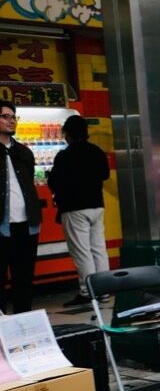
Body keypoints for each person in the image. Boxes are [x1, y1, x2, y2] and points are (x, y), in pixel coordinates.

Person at [47, 115, 110, 307]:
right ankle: (105, 290)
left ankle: (87, 291)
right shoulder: (96, 151)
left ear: (67, 134)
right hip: (97, 205)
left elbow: (54, 182)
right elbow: (105, 175)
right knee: (99, 249)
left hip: (74, 209)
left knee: (82, 252)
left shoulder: (65, 155)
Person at [0, 101, 39, 313]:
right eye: (5, 116)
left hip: (27, 224)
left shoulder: (24, 152)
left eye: (13, 116)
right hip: (1, 225)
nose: (11, 120)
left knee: (24, 278)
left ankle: (24, 322)